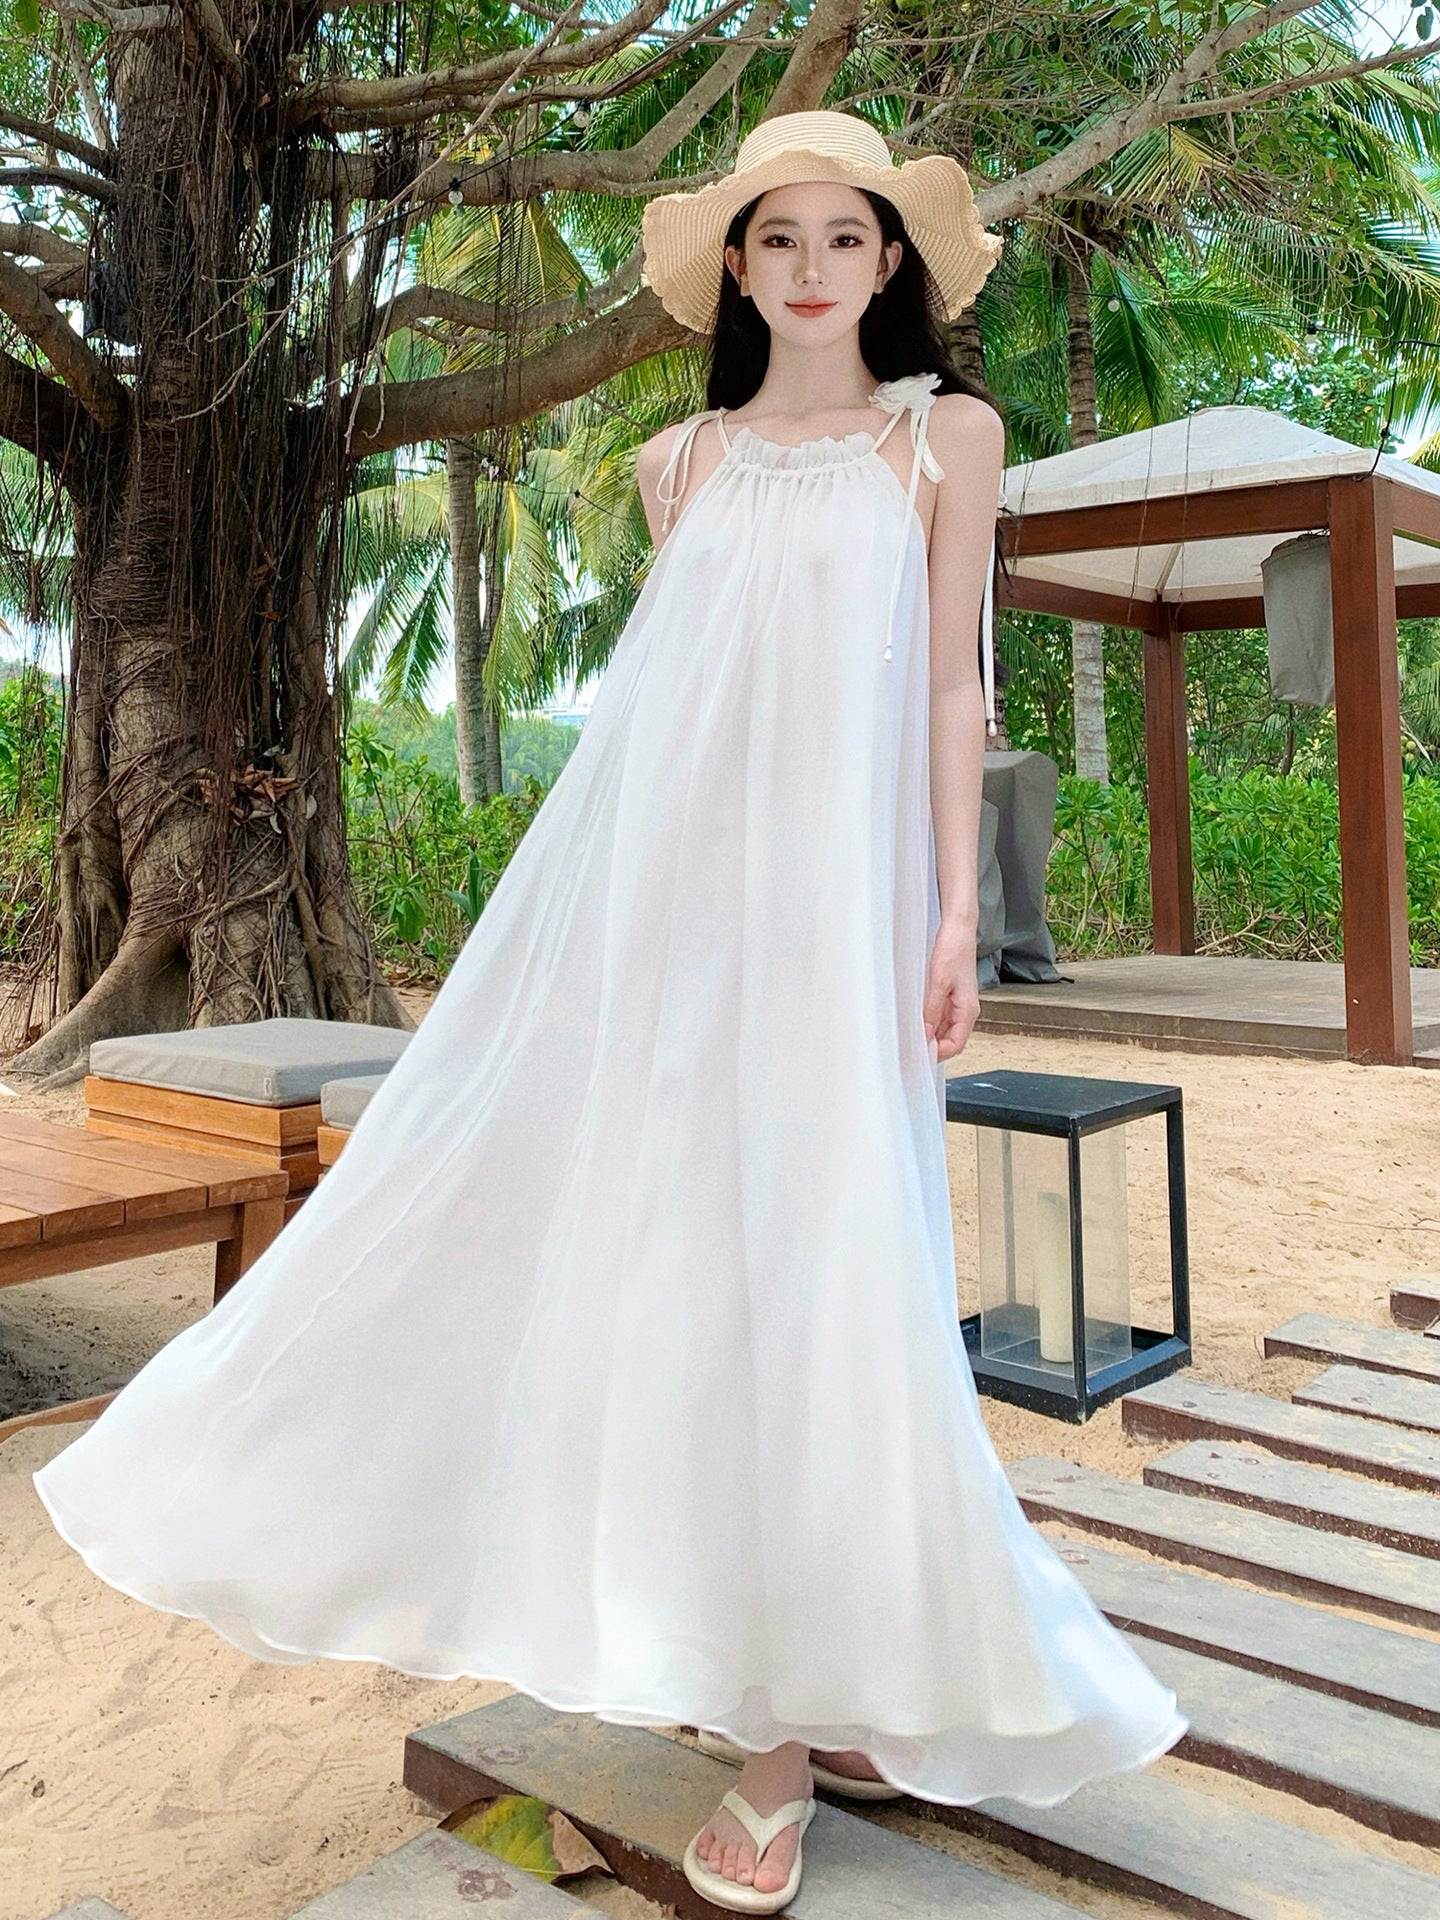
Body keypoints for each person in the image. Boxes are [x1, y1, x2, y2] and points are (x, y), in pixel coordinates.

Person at [32, 108, 1185, 1919]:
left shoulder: (944, 440)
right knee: (685, 1268)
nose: (813, 268)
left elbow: (957, 696)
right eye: (779, 238)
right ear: (737, 268)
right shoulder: (685, 467)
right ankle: (752, 1683)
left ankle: (816, 1696)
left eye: (847, 238)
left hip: (851, 925)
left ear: (892, 266)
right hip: (686, 923)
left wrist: (959, 908)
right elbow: (667, 731)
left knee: (829, 1271)